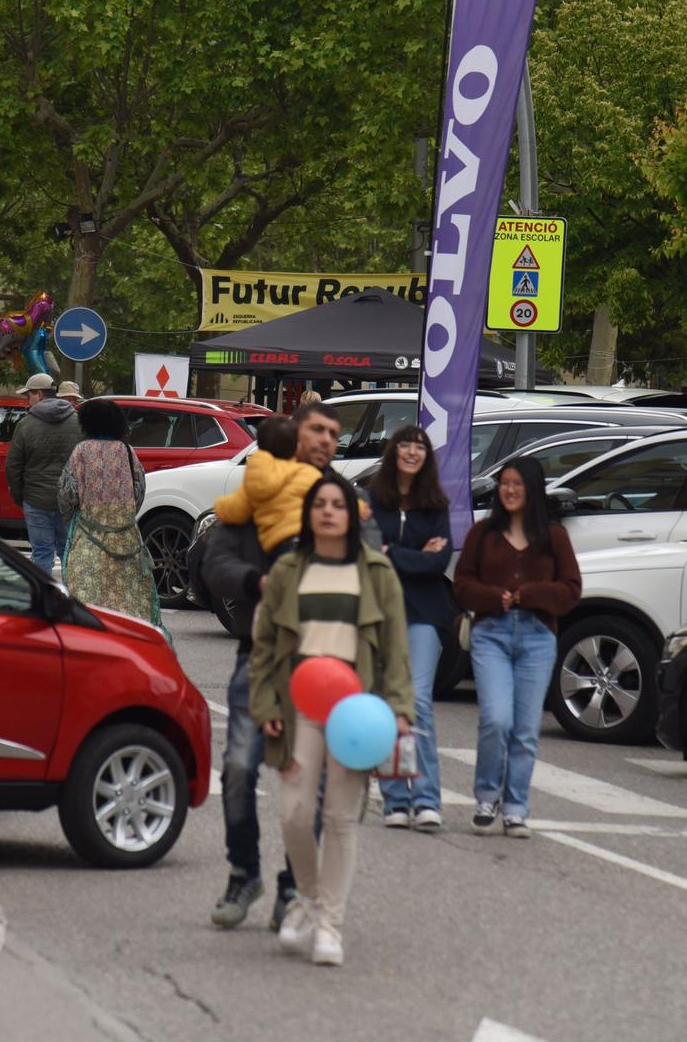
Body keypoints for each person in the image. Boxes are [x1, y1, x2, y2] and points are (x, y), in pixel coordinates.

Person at [204, 400, 359, 933]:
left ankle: (294, 886)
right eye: (315, 430)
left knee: (307, 782)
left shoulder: (341, 500)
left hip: (323, 661)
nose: (324, 440)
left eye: (332, 434)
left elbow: (374, 566)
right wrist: (257, 581)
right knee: (241, 766)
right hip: (260, 653)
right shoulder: (260, 488)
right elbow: (214, 560)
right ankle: (243, 872)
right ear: (295, 436)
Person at [249, 474, 413, 968]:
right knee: (295, 814)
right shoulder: (287, 572)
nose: (327, 512)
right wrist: (266, 706)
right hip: (299, 710)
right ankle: (307, 897)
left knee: (340, 819)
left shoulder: (377, 572)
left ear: (350, 514)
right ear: (309, 514)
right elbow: (263, 647)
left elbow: (396, 649)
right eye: (319, 504)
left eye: (336, 505)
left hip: (355, 713)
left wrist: (400, 710)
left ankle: (329, 927)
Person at [453, 456, 581, 838]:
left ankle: (515, 808)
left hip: (537, 637)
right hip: (491, 633)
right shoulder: (483, 534)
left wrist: (530, 595)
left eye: (517, 485)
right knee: (496, 719)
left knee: (525, 728)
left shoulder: (554, 536)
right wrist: (495, 598)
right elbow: (462, 584)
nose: (509, 491)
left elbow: (571, 589)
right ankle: (486, 796)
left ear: (533, 491)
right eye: (505, 483)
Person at [368, 425, 454, 833]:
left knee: (417, 702)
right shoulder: (373, 500)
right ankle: (395, 800)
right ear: (393, 452)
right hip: (381, 613)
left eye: (419, 446)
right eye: (405, 444)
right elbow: (367, 555)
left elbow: (437, 565)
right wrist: (412, 555)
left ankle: (426, 798)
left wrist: (392, 553)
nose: (412, 451)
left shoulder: (435, 505)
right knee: (387, 706)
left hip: (425, 613)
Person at [57, 399, 159, 624]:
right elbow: (139, 489)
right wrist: (125, 514)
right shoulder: (128, 451)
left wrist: (69, 513)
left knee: (88, 599)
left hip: (89, 539)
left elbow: (68, 492)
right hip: (127, 541)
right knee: (128, 600)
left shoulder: (81, 451)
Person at [5, 372, 83, 573]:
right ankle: (71, 601)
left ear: (39, 394)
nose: (27, 401)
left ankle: (45, 600)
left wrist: (19, 495)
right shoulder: (78, 422)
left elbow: (13, 465)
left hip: (35, 499)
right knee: (68, 552)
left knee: (41, 553)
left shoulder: (25, 424)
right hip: (68, 501)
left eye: (28, 395)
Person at [212, 416, 319, 555]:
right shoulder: (307, 472)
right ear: (297, 447)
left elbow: (236, 510)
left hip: (277, 544)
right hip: (308, 539)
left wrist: (219, 505)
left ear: (259, 446)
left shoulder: (255, 475)